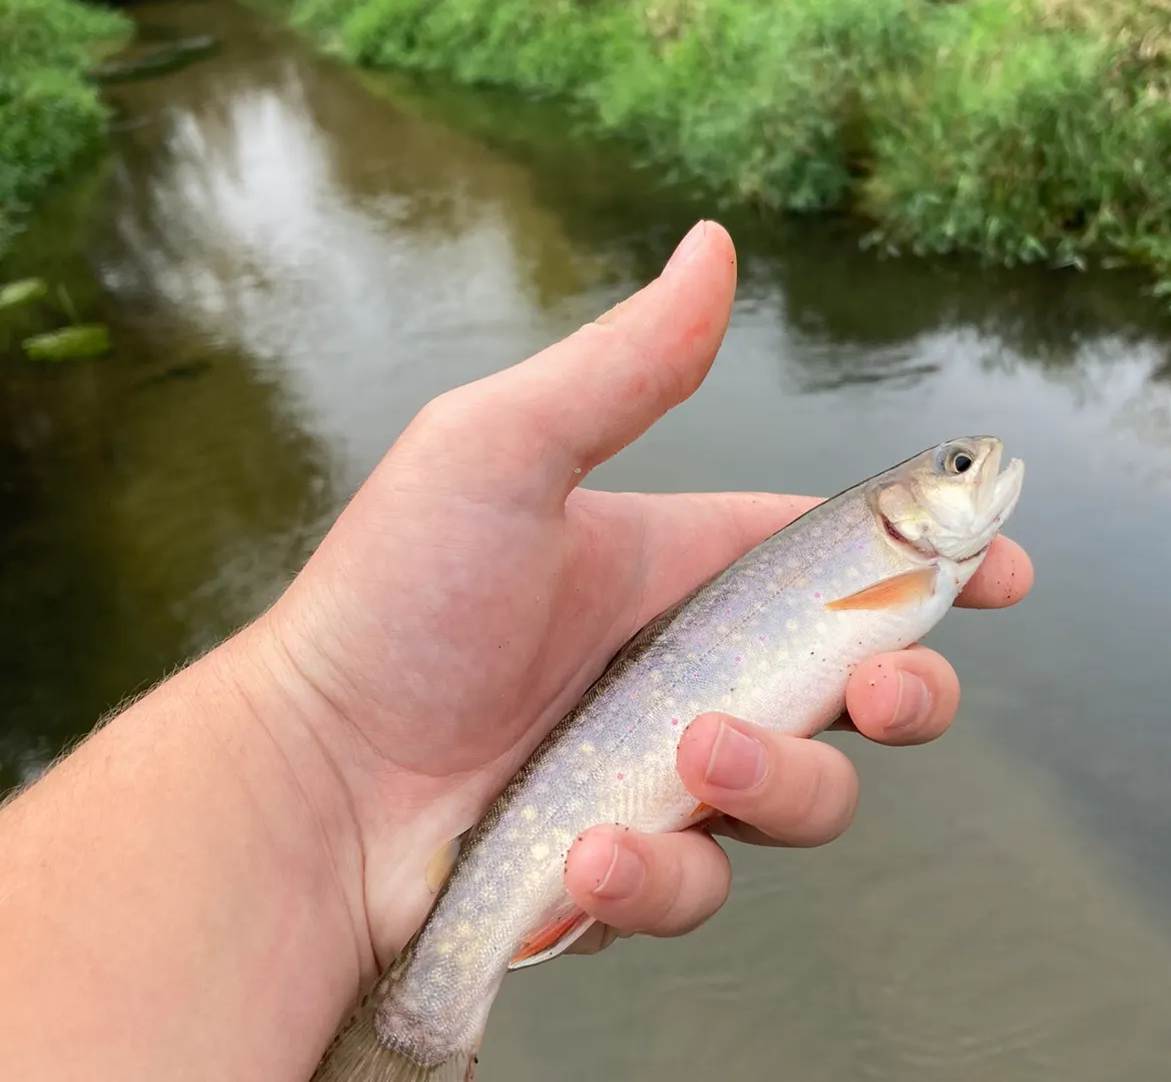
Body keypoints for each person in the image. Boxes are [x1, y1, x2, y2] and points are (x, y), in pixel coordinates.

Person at [0, 220, 1033, 1081]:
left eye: (958, 464)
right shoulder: (916, 568)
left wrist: (302, 746)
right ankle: (418, 1024)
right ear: (908, 508)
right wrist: (310, 738)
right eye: (955, 465)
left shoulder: (916, 562)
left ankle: (428, 1004)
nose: (976, 467)